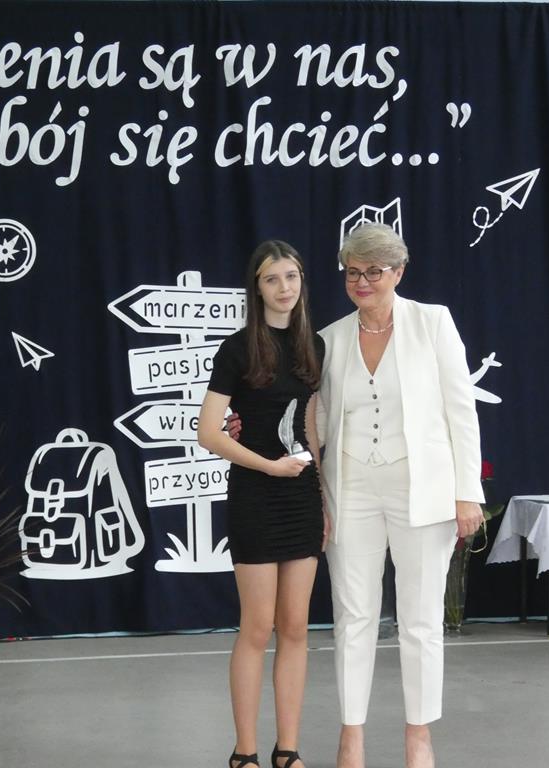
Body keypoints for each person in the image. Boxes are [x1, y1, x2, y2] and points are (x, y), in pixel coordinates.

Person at [318, 223, 485, 768]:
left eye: (374, 271)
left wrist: (466, 493)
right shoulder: (330, 338)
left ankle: (419, 735)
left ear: (399, 272)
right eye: (352, 272)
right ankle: (351, 735)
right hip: (351, 486)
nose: (362, 282)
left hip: (423, 487)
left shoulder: (433, 323)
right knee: (353, 614)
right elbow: (316, 421)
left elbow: (461, 411)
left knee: (420, 616)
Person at [197, 240, 329, 768]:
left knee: (296, 628)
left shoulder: (314, 345)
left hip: (301, 498)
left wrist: (323, 498)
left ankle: (287, 750)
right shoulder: (236, 349)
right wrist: (268, 466)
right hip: (255, 495)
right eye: (272, 279)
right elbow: (209, 432)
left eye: (292, 276)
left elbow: (310, 426)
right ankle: (244, 752)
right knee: (256, 627)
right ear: (256, 288)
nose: (284, 287)